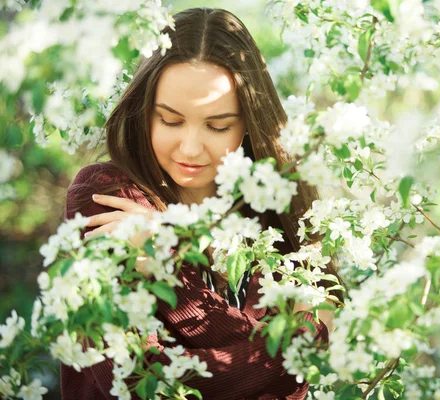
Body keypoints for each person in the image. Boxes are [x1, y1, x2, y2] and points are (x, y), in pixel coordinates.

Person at [60, 7, 342, 400]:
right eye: (170, 121)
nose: (190, 148)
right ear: (144, 112)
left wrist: (166, 268)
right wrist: (301, 341)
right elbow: (137, 382)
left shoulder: (274, 205)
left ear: (249, 124)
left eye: (218, 126)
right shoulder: (106, 197)